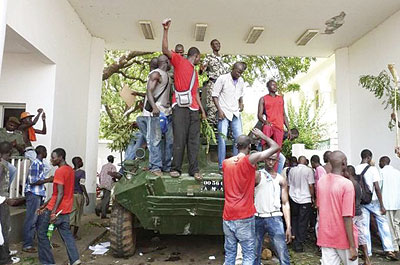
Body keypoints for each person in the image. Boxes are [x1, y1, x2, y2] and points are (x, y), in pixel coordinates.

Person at [223, 128, 279, 265]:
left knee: (230, 253)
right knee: (248, 254)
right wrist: (263, 136)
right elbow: (276, 147)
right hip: (244, 215)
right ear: (249, 147)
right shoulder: (249, 160)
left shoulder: (226, 163)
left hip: (228, 215)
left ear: (236, 146)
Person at [161, 18, 207, 180]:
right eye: (199, 58)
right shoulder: (179, 61)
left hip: (193, 109)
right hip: (179, 106)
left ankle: (194, 170)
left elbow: (195, 94)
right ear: (196, 56)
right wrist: (166, 30)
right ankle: (176, 168)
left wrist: (202, 111)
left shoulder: (195, 73)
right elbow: (165, 49)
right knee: (179, 138)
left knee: (193, 140)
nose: (200, 60)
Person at [36, 148, 81, 265]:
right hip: (66, 209)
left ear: (60, 157)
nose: (51, 159)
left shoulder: (60, 172)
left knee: (41, 234)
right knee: (67, 235)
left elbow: (60, 193)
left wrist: (53, 212)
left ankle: (47, 262)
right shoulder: (71, 170)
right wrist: (44, 205)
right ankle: (75, 259)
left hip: (55, 210)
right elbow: (57, 193)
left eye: (53, 157)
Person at [317, 151, 358, 265]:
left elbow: (320, 206)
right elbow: (347, 216)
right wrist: (352, 246)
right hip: (344, 238)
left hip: (325, 236)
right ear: (344, 163)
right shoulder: (347, 184)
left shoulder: (321, 181)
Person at [355, 149, 396, 259]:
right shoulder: (372, 169)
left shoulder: (355, 168)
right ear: (368, 158)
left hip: (362, 202)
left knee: (364, 227)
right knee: (383, 224)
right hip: (373, 201)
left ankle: (367, 252)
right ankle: (389, 249)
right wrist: (382, 205)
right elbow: (377, 188)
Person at [253, 153, 291, 265]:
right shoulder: (258, 175)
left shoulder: (281, 179)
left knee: (282, 251)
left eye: (273, 160)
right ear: (264, 160)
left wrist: (288, 226)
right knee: (255, 252)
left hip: (275, 217)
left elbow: (285, 203)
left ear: (277, 162)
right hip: (257, 216)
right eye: (268, 159)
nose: (270, 162)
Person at [142, 55, 173, 175]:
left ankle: (166, 165)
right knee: (155, 140)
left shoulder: (168, 76)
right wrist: (154, 107)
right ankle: (155, 166)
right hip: (158, 112)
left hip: (167, 111)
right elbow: (149, 90)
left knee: (169, 140)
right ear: (165, 62)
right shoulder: (156, 74)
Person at [212, 62, 245, 171]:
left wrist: (241, 103)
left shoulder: (241, 81)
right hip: (224, 112)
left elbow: (240, 95)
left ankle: (236, 165)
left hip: (235, 112)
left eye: (241, 73)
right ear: (233, 68)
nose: (239, 74)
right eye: (238, 72)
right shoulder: (222, 79)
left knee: (239, 139)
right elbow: (215, 95)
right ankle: (222, 166)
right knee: (222, 138)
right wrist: (219, 110)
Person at [22, 146, 53, 253]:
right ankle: (27, 244)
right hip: (33, 194)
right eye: (46, 151)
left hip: (38, 194)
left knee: (39, 220)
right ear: (42, 152)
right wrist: (48, 180)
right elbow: (33, 181)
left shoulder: (40, 164)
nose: (47, 154)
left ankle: (40, 242)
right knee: (31, 219)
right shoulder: (36, 163)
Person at [258, 80, 290, 170]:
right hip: (270, 124)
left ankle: (274, 171)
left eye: (276, 85)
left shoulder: (280, 98)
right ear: (268, 87)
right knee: (266, 128)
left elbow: (284, 114)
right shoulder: (263, 99)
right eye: (272, 85)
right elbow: (259, 115)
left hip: (279, 126)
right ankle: (264, 153)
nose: (275, 86)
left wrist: (289, 129)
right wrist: (265, 121)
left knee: (277, 150)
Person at [0, 141, 23, 265]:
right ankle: (5, 259)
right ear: (8, 153)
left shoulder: (7, 166)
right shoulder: (3, 166)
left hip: (2, 199)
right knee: (4, 230)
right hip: (1, 202)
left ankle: (5, 255)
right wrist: (5, 198)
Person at [287, 155, 315, 252]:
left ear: (298, 161)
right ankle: (299, 242)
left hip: (293, 197)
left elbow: (289, 185)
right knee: (303, 221)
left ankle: (294, 236)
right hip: (305, 198)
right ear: (306, 162)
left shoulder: (292, 170)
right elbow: (311, 185)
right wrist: (313, 197)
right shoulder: (308, 170)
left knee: (294, 218)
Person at [346, 165, 371, 265]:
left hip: (352, 214)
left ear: (348, 172)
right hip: (359, 212)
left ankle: (351, 257)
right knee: (361, 236)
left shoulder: (349, 184)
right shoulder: (358, 183)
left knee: (350, 236)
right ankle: (367, 259)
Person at [200, 39, 228, 127]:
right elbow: (200, 72)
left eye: (218, 43)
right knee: (212, 107)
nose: (217, 45)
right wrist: (202, 68)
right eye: (215, 44)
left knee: (223, 106)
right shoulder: (208, 57)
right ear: (211, 46)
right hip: (213, 84)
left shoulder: (224, 58)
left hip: (223, 86)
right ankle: (210, 132)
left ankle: (222, 130)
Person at [379, 156, 400, 253]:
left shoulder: (382, 172)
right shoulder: (397, 172)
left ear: (383, 162)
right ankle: (398, 241)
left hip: (387, 203)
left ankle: (395, 247)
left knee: (390, 226)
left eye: (380, 162)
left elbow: (379, 188)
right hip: (397, 202)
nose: (379, 164)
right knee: (396, 223)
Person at [0, 117, 25, 184]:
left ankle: (7, 189)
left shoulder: (18, 135)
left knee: (10, 175)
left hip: (13, 160)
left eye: (14, 126)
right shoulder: (1, 132)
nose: (11, 127)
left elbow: (23, 149)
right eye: (10, 125)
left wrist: (16, 145)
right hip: (1, 159)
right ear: (7, 123)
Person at [70, 157, 89, 240]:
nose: (82, 162)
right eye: (81, 161)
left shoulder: (70, 171)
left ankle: (67, 234)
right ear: (78, 162)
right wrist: (87, 196)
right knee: (78, 215)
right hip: (78, 195)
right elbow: (82, 184)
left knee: (71, 214)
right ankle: (74, 235)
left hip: (70, 195)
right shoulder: (82, 172)